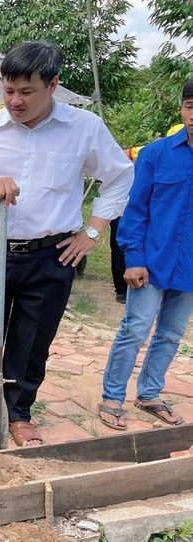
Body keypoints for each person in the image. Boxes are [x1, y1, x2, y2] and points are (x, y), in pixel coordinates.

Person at [0, 41, 134, 447]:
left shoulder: (84, 129)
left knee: (33, 338)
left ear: (52, 85)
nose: (15, 101)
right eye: (8, 90)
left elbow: (120, 176)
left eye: (26, 92)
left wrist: (92, 232)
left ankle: (19, 412)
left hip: (51, 255)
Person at [98, 82, 193, 431]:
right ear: (181, 109)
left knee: (171, 333)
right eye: (189, 106)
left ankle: (150, 394)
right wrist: (133, 258)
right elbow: (134, 210)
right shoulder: (155, 154)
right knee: (135, 328)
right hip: (151, 262)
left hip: (191, 268)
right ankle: (112, 396)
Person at [111, 124, 185, 305]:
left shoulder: (145, 150)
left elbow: (121, 154)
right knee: (124, 240)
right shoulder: (153, 152)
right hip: (132, 202)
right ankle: (122, 289)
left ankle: (121, 289)